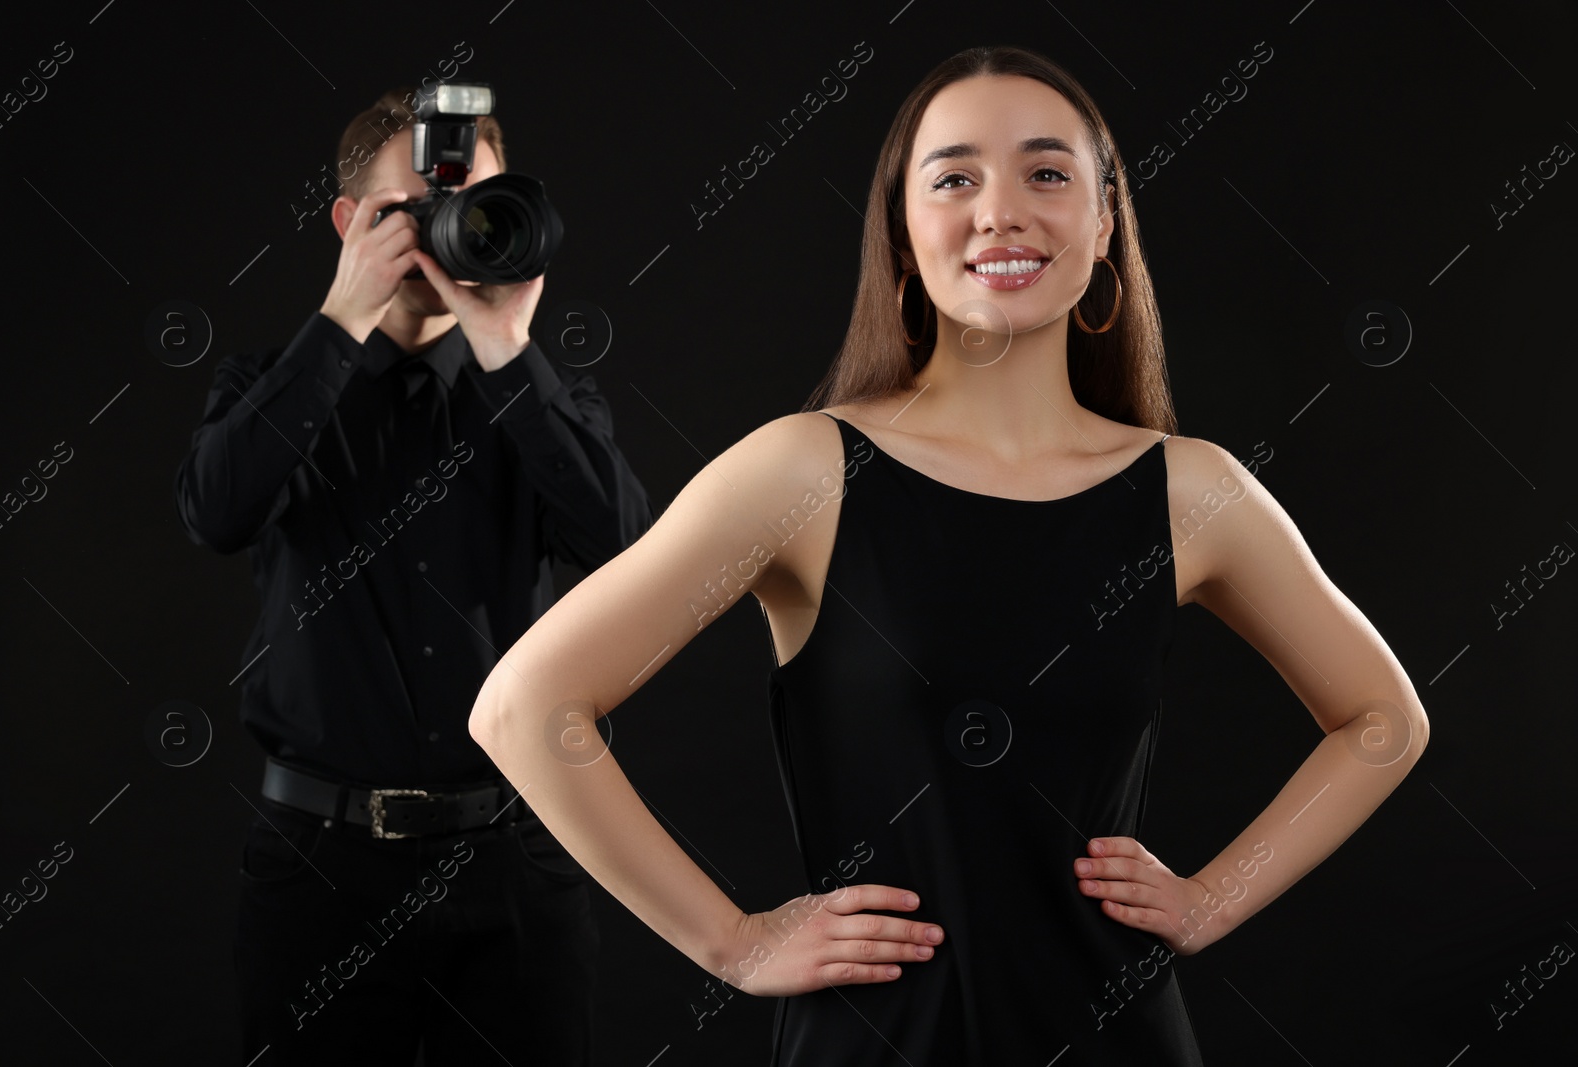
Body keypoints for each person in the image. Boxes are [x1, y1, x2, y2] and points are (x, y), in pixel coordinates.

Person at [464, 46, 1431, 1066]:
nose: (1000, 210)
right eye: (955, 177)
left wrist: (1210, 899)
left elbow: (1382, 719)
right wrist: (733, 941)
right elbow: (525, 707)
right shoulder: (804, 472)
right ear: (900, 229)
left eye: (1047, 174)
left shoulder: (1194, 492)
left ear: (1104, 223)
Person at [173, 85, 655, 1065]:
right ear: (350, 223)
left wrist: (508, 348)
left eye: (467, 206)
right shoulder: (266, 385)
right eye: (411, 211)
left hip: (516, 860)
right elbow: (216, 512)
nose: (443, 232)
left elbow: (627, 552)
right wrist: (342, 318)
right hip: (318, 867)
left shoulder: (545, 395)